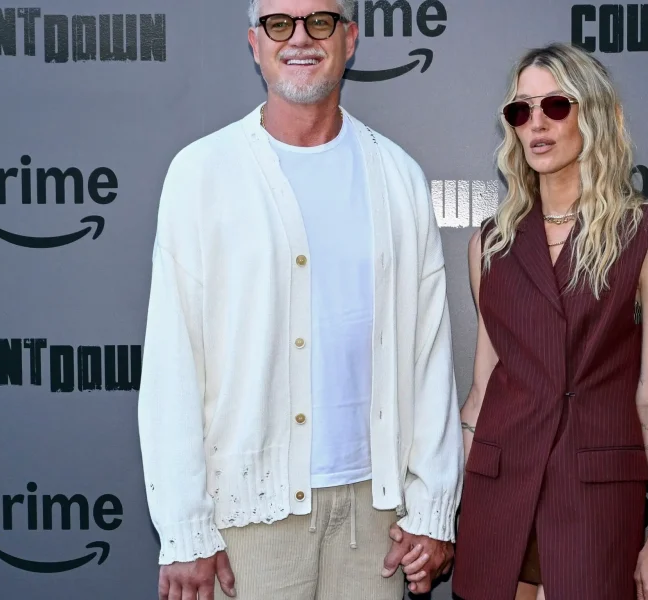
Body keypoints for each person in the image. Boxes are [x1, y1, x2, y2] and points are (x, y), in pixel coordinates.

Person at [136, 1, 464, 598]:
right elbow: (171, 362)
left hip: (377, 516)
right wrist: (184, 530)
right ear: (255, 43)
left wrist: (434, 508)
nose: (300, 39)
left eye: (320, 21)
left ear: (350, 39)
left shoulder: (399, 177)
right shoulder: (200, 174)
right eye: (279, 23)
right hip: (248, 518)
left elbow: (429, 354)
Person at [451, 42, 648, 600]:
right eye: (521, 110)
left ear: (593, 113)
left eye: (555, 106)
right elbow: (483, 389)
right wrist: (446, 505)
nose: (536, 124)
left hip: (594, 497)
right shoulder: (491, 244)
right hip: (499, 491)